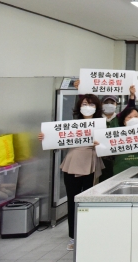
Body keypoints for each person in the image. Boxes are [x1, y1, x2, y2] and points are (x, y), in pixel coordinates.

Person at [38, 94, 105, 251]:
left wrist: (100, 145)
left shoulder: (101, 125)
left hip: (92, 164)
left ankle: (90, 233)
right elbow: (57, 141)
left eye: (91, 104)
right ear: (79, 107)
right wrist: (45, 137)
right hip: (72, 164)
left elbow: (108, 147)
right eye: (84, 104)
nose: (87, 107)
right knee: (73, 202)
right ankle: (73, 237)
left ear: (96, 108)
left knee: (90, 202)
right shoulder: (71, 125)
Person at [109, 107, 138, 174]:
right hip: (121, 171)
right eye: (129, 117)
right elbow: (108, 154)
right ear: (124, 122)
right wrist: (100, 145)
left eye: (136, 116)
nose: (133, 119)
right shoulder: (115, 136)